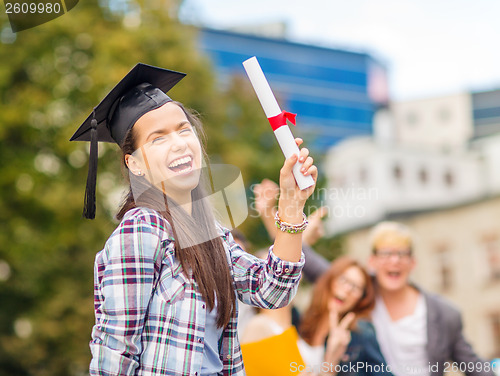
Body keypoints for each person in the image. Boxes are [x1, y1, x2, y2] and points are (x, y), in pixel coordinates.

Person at [70, 63, 317, 376]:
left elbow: (272, 290)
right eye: (158, 138)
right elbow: (116, 350)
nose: (178, 143)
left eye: (183, 129)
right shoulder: (141, 229)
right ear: (134, 164)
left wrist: (293, 204)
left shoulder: (210, 232)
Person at [368, 222, 494, 376]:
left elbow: (473, 365)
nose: (395, 261)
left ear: (413, 262)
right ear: (372, 261)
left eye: (402, 254)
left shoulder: (443, 313)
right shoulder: (360, 302)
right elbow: (332, 278)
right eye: (386, 254)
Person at [299, 256, 391, 376]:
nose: (347, 289)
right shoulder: (302, 322)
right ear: (330, 280)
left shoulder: (360, 332)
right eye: (343, 279)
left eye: (356, 287)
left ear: (360, 299)